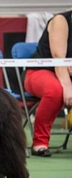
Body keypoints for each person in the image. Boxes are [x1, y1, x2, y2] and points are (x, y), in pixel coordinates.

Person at [24, 9, 72, 157]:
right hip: (40, 72)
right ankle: (40, 142)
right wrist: (67, 87)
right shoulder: (60, 20)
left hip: (68, 73)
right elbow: (59, 58)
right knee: (55, 90)